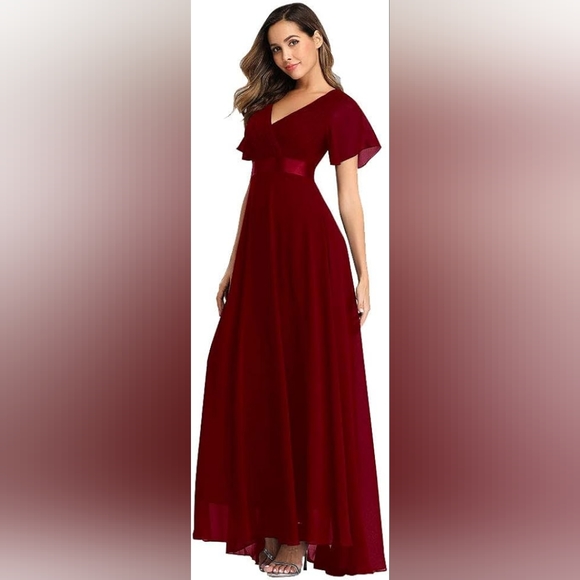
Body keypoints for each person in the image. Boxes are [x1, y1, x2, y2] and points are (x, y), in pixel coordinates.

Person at [193, 3, 386, 577]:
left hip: (309, 255)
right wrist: (232, 264)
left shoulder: (341, 108)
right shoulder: (266, 106)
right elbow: (256, 190)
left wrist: (365, 272)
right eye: (276, 48)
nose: (286, 56)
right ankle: (273, 521)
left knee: (305, 380)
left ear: (318, 39)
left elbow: (349, 197)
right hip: (260, 254)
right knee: (251, 379)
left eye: (294, 42)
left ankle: (299, 535)